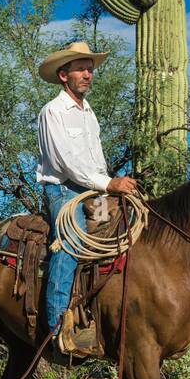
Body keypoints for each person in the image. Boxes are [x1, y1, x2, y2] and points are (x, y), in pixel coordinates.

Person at [35, 41, 139, 354]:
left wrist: (113, 187)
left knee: (128, 230)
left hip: (93, 189)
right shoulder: (52, 112)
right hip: (63, 190)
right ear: (63, 74)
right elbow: (67, 163)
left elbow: (96, 160)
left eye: (90, 68)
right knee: (71, 241)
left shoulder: (89, 113)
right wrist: (109, 184)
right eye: (81, 68)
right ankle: (57, 331)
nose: (88, 74)